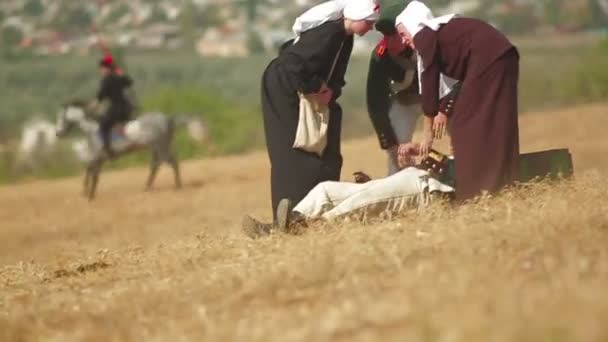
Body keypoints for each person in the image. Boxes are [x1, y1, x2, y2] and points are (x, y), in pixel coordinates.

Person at [260, 0, 380, 220]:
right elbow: (290, 62)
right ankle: (289, 218)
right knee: (293, 152)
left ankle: (316, 210)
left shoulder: (343, 36)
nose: (371, 28)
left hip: (305, 91)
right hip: (284, 90)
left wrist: (329, 91)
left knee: (326, 148)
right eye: (369, 22)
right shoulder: (330, 33)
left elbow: (328, 70)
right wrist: (317, 87)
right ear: (356, 17)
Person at [394, 1, 520, 201]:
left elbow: (430, 79)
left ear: (413, 25)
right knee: (495, 123)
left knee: (464, 124)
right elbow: (458, 84)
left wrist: (427, 134)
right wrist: (442, 110)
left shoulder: (424, 35)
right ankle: (503, 183)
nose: (403, 40)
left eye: (403, 33)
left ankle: (474, 192)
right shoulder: (437, 35)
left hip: (489, 60)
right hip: (500, 57)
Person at [242, 143, 455, 239]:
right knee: (325, 189)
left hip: (430, 188)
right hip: (417, 176)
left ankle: (303, 229)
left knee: (360, 202)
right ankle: (281, 227)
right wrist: (424, 154)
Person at [367, 0, 460, 175]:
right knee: (397, 151)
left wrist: (444, 111)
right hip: (405, 103)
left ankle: (461, 169)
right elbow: (375, 102)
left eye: (394, 35)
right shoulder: (380, 55)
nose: (388, 42)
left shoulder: (432, 42)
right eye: (385, 36)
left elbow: (453, 80)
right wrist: (393, 143)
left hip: (438, 101)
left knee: (459, 133)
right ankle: (397, 180)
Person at [96, 55, 135, 157]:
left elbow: (101, 96)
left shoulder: (106, 80)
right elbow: (129, 82)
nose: (101, 71)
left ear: (107, 69)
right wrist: (122, 75)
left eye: (102, 68)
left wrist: (95, 103)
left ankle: (108, 150)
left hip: (116, 109)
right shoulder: (118, 77)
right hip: (127, 107)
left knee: (103, 126)